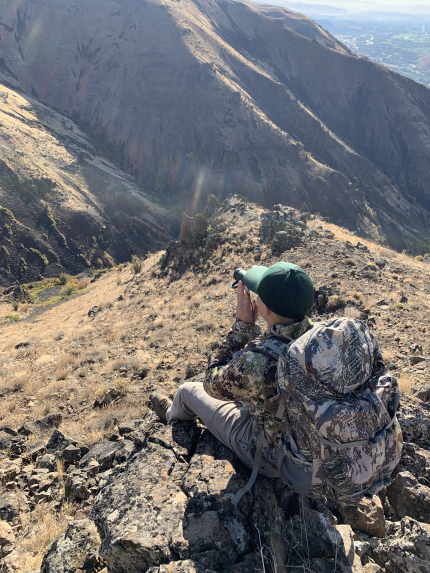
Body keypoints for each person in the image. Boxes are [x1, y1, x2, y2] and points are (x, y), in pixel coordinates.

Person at [151, 262, 315, 481]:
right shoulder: (321, 340)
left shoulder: (257, 365)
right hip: (316, 447)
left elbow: (211, 383)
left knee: (186, 391)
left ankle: (172, 414)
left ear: (264, 308)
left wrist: (242, 326)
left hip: (274, 457)